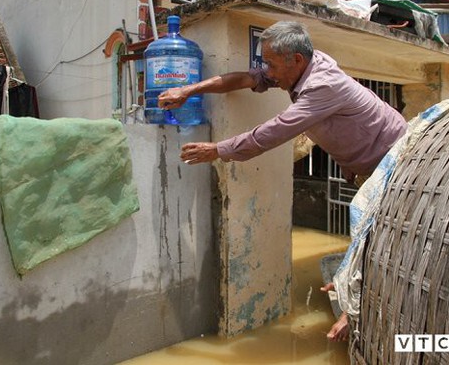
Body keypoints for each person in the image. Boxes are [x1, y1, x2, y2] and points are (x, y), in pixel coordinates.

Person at [158, 20, 407, 341]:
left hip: (394, 163)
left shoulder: (322, 85)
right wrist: (188, 89)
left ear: (297, 60)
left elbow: (275, 131)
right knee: (365, 232)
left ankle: (356, 310)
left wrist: (218, 149)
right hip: (366, 165)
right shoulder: (298, 68)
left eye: (272, 64)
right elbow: (246, 78)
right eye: (266, 62)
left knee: (382, 236)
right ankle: (353, 281)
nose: (268, 72)